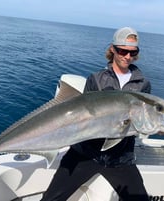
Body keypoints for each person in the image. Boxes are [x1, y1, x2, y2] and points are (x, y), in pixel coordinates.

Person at [41, 27, 151, 201]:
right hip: (85, 154)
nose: (128, 56)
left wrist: (154, 126)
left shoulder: (143, 85)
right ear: (113, 49)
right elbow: (82, 114)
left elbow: (142, 121)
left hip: (120, 158)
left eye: (133, 52)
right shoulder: (96, 79)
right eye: (123, 51)